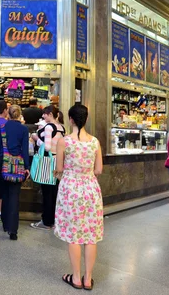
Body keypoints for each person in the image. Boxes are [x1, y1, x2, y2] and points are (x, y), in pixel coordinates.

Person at [55, 104, 103, 291]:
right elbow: (98, 169)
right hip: (91, 189)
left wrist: (61, 173)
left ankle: (75, 277)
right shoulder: (95, 142)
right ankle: (88, 279)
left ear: (71, 119)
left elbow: (59, 168)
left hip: (70, 189)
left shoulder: (64, 141)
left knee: (74, 234)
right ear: (86, 119)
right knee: (90, 235)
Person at [0, 104, 30, 240]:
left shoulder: (1, 128)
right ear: (19, 115)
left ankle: (5, 224)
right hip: (18, 167)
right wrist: (27, 167)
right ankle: (13, 230)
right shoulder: (24, 129)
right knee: (14, 196)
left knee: (4, 195)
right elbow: (25, 150)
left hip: (3, 164)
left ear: (8, 113)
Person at [30, 105, 65, 230]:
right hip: (58, 162)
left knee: (47, 193)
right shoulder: (61, 127)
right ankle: (54, 220)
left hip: (48, 163)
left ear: (50, 114)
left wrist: (36, 139)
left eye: (45, 114)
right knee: (54, 192)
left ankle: (46, 221)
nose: (43, 116)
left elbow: (47, 147)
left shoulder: (50, 127)